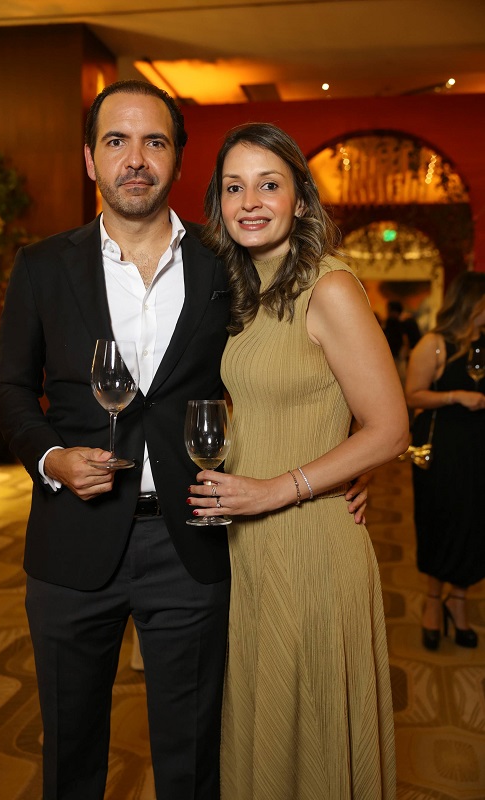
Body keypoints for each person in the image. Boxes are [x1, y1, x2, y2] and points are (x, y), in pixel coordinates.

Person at [0, 80, 233, 800]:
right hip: (72, 538)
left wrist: (335, 467)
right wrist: (50, 457)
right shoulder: (42, 266)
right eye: (116, 141)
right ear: (90, 160)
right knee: (71, 755)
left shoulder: (222, 264)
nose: (135, 159)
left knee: (192, 761)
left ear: (177, 158)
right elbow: (8, 387)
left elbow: (277, 375)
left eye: (154, 142)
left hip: (190, 540)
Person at [188, 123, 409, 799]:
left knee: (310, 732)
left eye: (268, 184)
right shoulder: (245, 289)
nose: (250, 202)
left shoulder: (328, 286)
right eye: (234, 187)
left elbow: (390, 429)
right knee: (268, 730)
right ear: (219, 203)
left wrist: (278, 489)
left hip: (309, 542)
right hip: (251, 543)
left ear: (301, 201)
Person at [405, 271, 485, 651]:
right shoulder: (435, 344)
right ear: (472, 303)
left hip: (477, 448)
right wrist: (455, 396)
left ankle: (459, 601)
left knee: (474, 525)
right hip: (441, 449)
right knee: (440, 522)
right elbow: (412, 395)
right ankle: (433, 602)